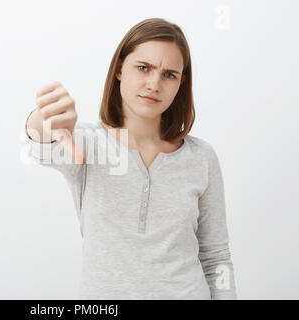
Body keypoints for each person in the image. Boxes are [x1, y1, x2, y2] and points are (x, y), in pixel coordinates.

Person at [22, 17, 237, 300]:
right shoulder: (88, 143)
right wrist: (45, 116)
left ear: (181, 83)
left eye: (169, 74)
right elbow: (37, 146)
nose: (154, 83)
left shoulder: (201, 157)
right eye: (143, 68)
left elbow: (216, 256)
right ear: (120, 69)